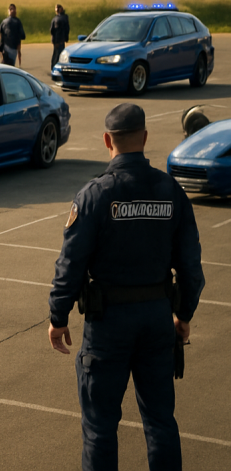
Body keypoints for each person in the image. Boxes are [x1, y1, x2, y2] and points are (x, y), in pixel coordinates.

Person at [48, 103, 205, 471]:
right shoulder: (171, 191)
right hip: (155, 320)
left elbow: (71, 263)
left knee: (100, 427)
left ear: (107, 140)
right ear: (146, 138)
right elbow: (191, 267)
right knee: (161, 422)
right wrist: (183, 316)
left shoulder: (95, 195)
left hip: (108, 326)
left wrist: (58, 315)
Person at [51, 3, 70, 68]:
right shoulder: (63, 18)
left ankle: (54, 67)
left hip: (58, 40)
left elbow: (52, 31)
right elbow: (66, 29)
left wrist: (55, 41)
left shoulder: (56, 18)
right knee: (58, 54)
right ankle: (57, 67)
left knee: (56, 54)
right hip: (60, 40)